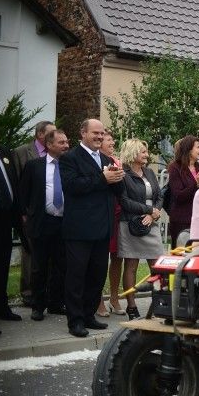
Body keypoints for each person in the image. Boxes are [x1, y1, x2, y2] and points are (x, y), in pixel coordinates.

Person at [60, 119, 125, 338]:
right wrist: (102, 178)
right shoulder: (70, 158)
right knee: (77, 276)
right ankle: (75, 321)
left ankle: (89, 315)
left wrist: (118, 176)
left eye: (102, 133)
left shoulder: (107, 159)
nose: (99, 136)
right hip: (79, 229)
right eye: (95, 133)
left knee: (97, 276)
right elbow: (72, 186)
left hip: (103, 228)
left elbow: (118, 191)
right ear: (83, 133)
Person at [18, 128, 70, 321]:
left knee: (61, 266)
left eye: (66, 142)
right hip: (41, 222)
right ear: (49, 145)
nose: (66, 145)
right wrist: (25, 217)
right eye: (61, 142)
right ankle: (38, 305)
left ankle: (56, 303)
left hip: (64, 223)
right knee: (39, 266)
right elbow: (23, 193)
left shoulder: (69, 165)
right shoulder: (34, 166)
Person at [117, 139, 164, 319]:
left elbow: (159, 196)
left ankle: (159, 303)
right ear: (133, 153)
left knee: (157, 266)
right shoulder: (124, 174)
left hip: (150, 223)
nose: (147, 155)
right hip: (130, 224)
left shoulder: (150, 172)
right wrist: (147, 210)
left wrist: (153, 214)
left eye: (146, 151)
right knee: (131, 265)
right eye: (143, 151)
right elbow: (124, 201)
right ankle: (131, 306)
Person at [12, 120, 55, 307]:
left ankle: (47, 293)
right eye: (51, 133)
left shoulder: (57, 155)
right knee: (31, 253)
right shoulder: (22, 152)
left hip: (52, 214)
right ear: (40, 134)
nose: (55, 136)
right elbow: (16, 183)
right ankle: (28, 293)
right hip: (30, 213)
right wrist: (22, 211)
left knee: (51, 255)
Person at [0, 131, 26, 329]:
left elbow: (13, 183)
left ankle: (0, 308)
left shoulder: (4, 154)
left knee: (1, 266)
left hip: (5, 220)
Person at [96, 129, 125, 317]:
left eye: (113, 140)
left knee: (117, 257)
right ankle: (98, 301)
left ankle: (114, 297)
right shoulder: (95, 160)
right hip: (101, 215)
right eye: (109, 140)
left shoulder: (116, 161)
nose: (112, 143)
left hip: (117, 215)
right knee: (99, 260)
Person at [168, 135, 199, 248]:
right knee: (181, 254)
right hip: (181, 219)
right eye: (198, 147)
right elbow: (178, 195)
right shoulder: (175, 168)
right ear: (189, 149)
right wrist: (196, 184)